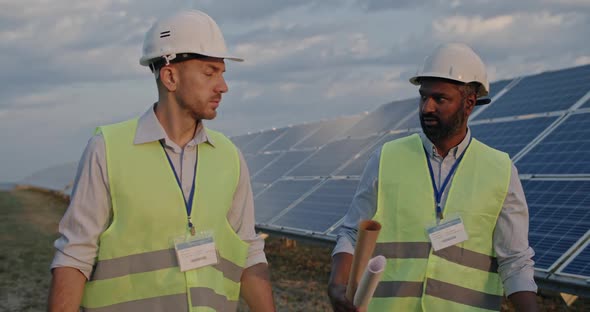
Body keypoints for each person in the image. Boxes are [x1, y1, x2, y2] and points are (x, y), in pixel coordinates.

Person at [47, 9, 275, 312]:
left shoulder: (229, 157)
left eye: (222, 73)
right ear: (170, 76)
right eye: (209, 73)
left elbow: (248, 252)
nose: (223, 86)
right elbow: (75, 256)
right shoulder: (107, 150)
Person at [327, 43, 538, 312]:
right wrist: (337, 282)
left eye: (440, 99)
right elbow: (352, 233)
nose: (427, 108)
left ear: (469, 103)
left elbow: (515, 260)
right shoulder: (386, 158)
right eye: (423, 97)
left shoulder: (501, 170)